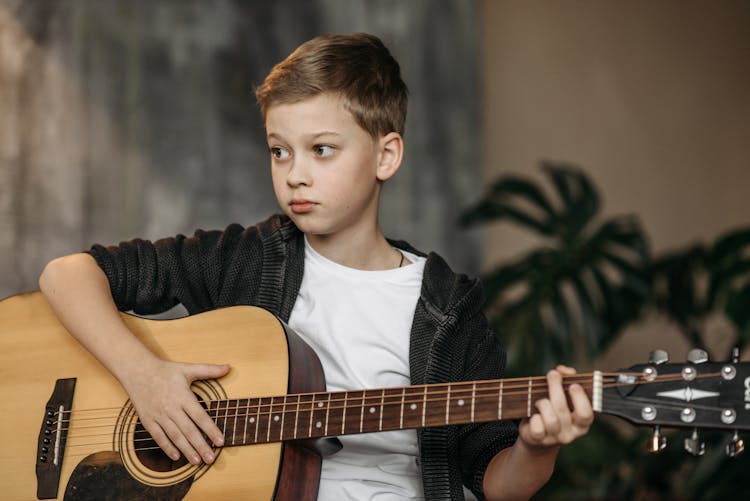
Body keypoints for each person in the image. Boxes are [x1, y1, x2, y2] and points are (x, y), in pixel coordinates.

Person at [39, 33, 593, 500]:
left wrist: (535, 447)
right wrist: (146, 378)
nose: (294, 174)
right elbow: (65, 275)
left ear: (386, 155)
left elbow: (497, 481)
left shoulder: (447, 308)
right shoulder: (247, 259)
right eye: (280, 151)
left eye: (321, 150)